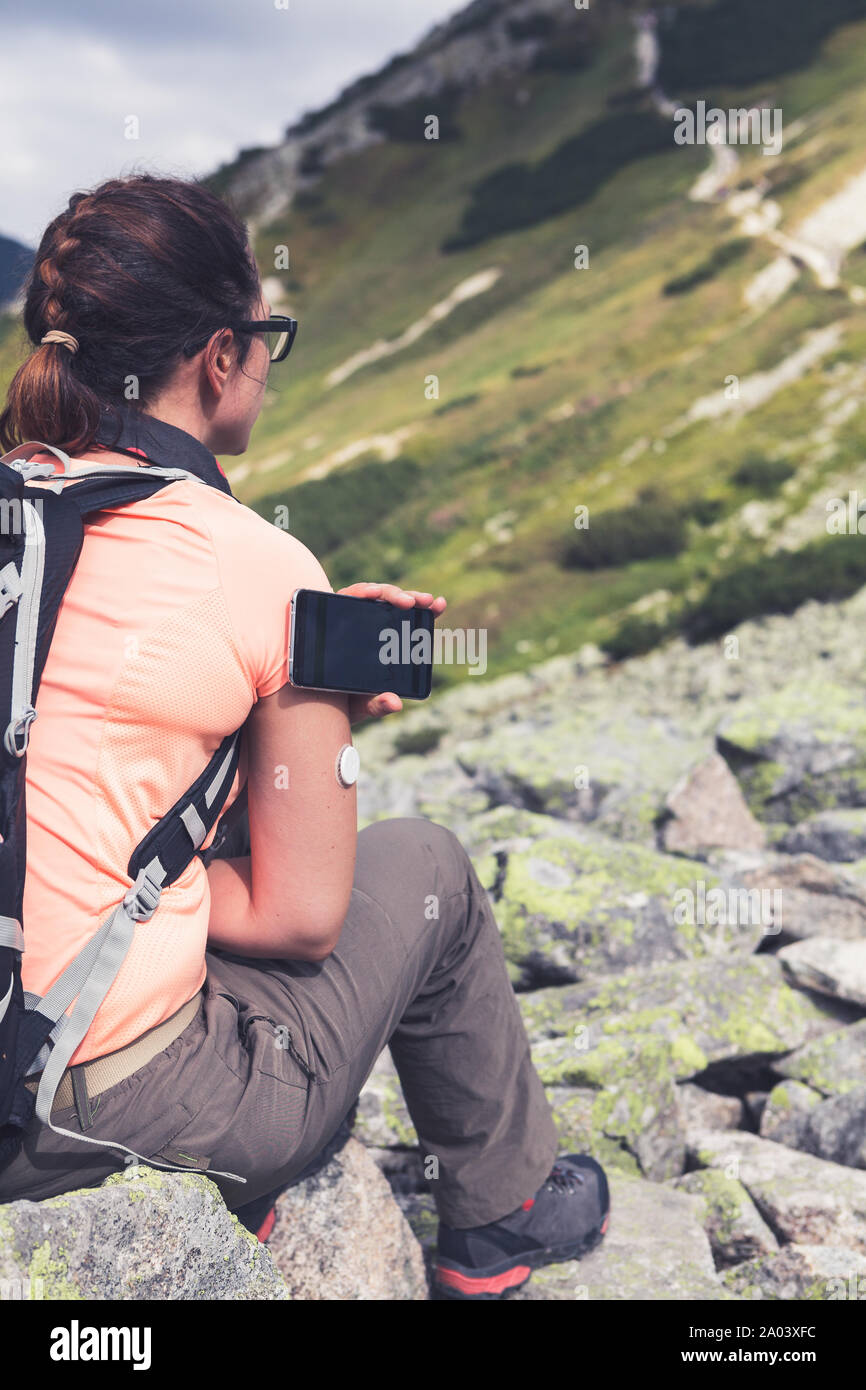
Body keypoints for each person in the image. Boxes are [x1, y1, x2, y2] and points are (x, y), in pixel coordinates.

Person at [0, 174, 608, 1299]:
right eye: (265, 340)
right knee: (427, 868)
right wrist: (299, 719)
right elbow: (296, 916)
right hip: (85, 1111)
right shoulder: (255, 566)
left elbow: (76, 767)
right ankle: (500, 1222)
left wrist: (261, 741)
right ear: (220, 355)